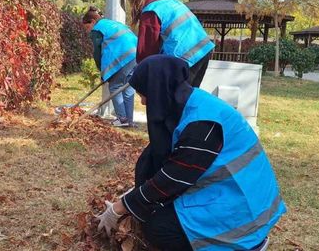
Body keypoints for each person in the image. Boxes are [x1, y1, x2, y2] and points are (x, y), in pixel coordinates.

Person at [96, 55, 285, 250]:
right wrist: (137, 196)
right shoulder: (191, 101)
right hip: (227, 193)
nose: (143, 102)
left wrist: (121, 207)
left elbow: (171, 180)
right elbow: (169, 163)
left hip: (242, 215)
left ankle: (239, 246)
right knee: (150, 196)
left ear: (159, 90)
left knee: (157, 226)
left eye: (145, 94)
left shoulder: (202, 125)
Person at [120, 0, 215, 87]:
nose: (132, 5)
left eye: (131, 0)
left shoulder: (151, 11)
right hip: (203, 50)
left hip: (186, 58)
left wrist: (142, 78)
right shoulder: (170, 1)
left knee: (172, 101)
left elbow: (146, 53)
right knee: (189, 99)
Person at [82, 6, 137, 127]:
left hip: (123, 56)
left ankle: (122, 119)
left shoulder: (97, 29)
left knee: (115, 86)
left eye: (87, 27)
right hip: (136, 55)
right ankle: (129, 121)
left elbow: (97, 51)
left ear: (92, 22)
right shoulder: (111, 23)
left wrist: (102, 71)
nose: (88, 31)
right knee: (128, 89)